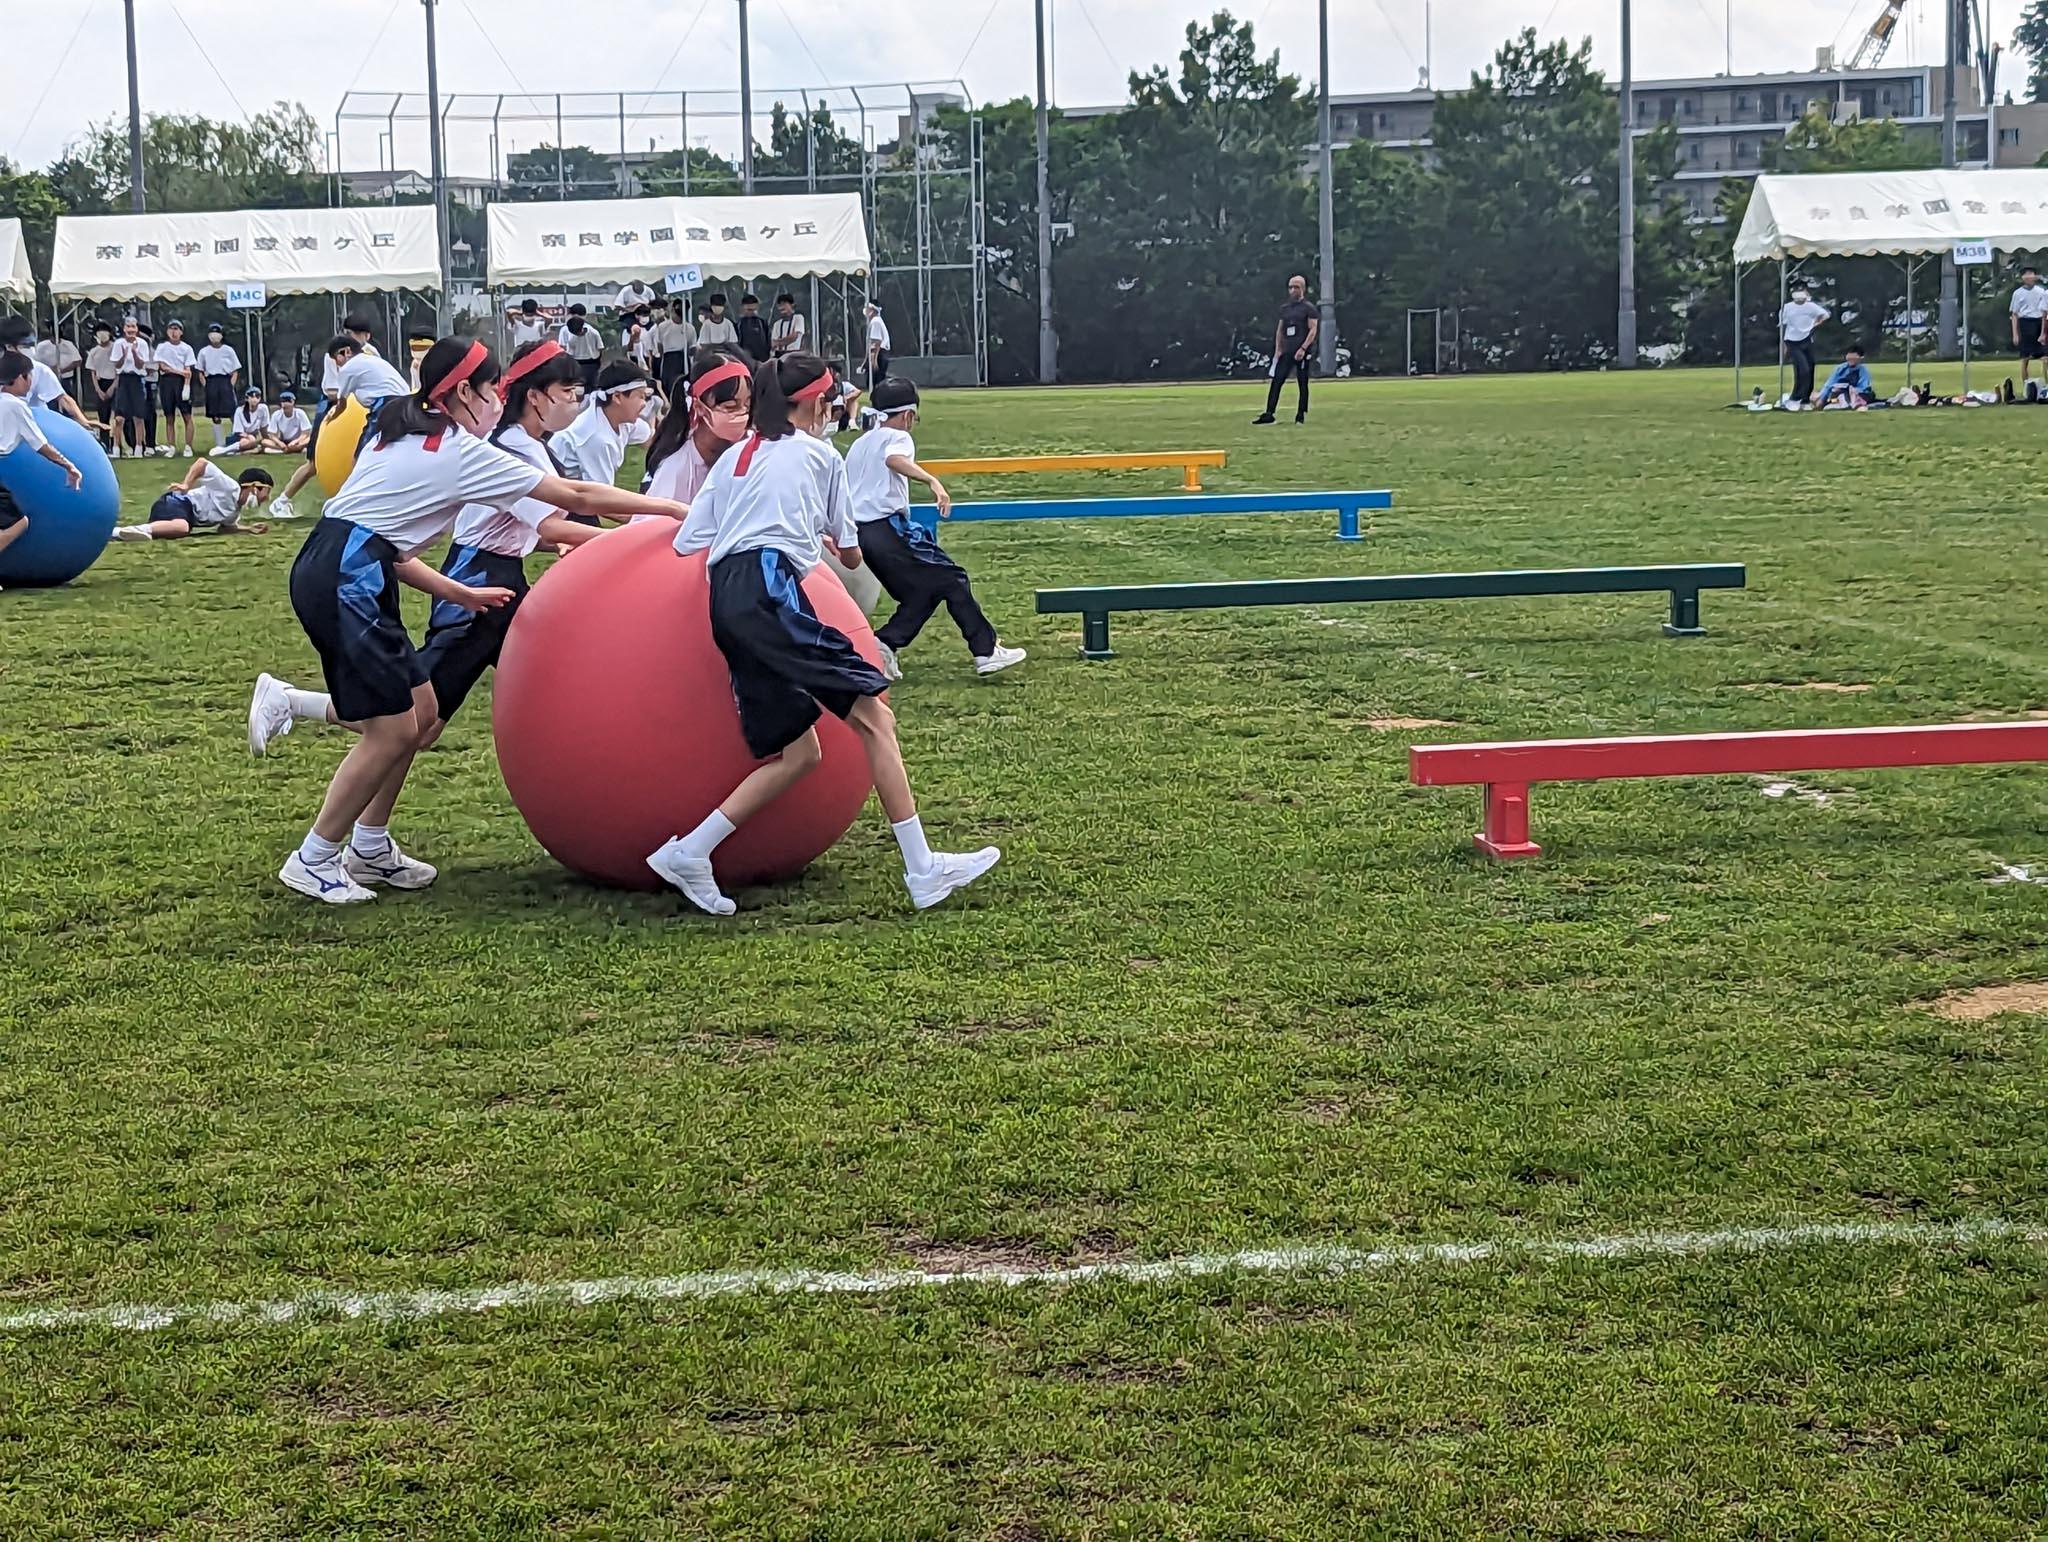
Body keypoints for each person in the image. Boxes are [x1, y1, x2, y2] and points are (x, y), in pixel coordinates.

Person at [257, 336, 686, 904]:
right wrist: (673, 510)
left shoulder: (399, 429)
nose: (498, 401)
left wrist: (455, 590)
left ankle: (370, 846)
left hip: (348, 568)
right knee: (394, 730)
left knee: (422, 712)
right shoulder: (461, 450)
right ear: (465, 391)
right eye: (492, 390)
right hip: (345, 577)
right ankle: (314, 857)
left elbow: (379, 541)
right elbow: (575, 495)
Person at [653, 351, 999, 916]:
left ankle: (690, 852)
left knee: (800, 753)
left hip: (729, 599)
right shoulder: (820, 456)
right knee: (876, 718)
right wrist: (819, 538)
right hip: (770, 590)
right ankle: (923, 870)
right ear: (816, 403)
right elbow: (851, 552)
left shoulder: (736, 456)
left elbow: (688, 540)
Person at [843, 377, 1023, 680]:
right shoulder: (898, 437)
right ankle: (986, 651)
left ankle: (885, 644)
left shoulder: (860, 444)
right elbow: (894, 459)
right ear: (908, 415)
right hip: (888, 529)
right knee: (952, 578)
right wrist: (932, 481)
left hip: (862, 534)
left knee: (923, 592)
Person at [0, 353, 84, 592]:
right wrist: (69, 466)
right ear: (20, 378)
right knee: (18, 523)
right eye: (29, 377)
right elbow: (41, 445)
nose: (30, 384)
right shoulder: (16, 406)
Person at [644, 345, 753, 505]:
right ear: (699, 407)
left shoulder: (754, 449)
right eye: (730, 406)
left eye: (747, 405)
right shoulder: (676, 471)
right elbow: (656, 518)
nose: (742, 414)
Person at [550, 359, 657, 509]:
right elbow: (601, 502)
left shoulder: (623, 420)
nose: (644, 403)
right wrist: (649, 514)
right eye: (640, 396)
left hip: (577, 497)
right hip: (558, 501)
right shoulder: (596, 438)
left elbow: (649, 437)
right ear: (617, 397)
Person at [110, 460, 274, 541]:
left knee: (181, 529)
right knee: (183, 528)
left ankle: (140, 532)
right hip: (176, 502)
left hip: (180, 516)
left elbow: (225, 528)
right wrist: (186, 484)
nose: (265, 499)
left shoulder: (235, 511)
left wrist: (249, 529)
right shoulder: (229, 487)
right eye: (266, 493)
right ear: (254, 487)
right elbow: (202, 463)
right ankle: (122, 531)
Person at [0, 316, 93, 439]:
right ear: (8, 347)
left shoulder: (39, 369)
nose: (30, 349)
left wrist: (83, 421)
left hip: (35, 427)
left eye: (31, 345)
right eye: (24, 345)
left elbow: (63, 398)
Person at [1254, 274, 1319, 425]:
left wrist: (1303, 348)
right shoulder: (1285, 309)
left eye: (1296, 287)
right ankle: (1269, 413)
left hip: (1301, 351)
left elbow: (1313, 329)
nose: (1292, 290)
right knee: (1277, 380)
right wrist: (1278, 349)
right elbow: (1280, 330)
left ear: (1302, 289)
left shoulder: (1309, 308)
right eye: (1290, 287)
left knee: (1302, 383)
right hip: (1287, 350)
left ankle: (1300, 414)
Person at [1778, 281, 1829, 409]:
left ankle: (1805, 400)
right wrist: (1784, 347)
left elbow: (1825, 315)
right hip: (1792, 342)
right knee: (1803, 369)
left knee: (1810, 369)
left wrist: (1815, 324)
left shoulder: (1811, 306)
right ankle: (1795, 398)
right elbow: (1783, 326)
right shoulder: (1787, 307)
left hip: (1806, 340)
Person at [109, 316, 153, 458]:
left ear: (137, 329)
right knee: (119, 417)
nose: (131, 329)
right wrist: (123, 355)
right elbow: (117, 365)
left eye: (133, 326)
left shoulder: (142, 344)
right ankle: (116, 447)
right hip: (123, 379)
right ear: (124, 329)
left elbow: (141, 365)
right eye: (128, 326)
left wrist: (134, 352)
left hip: (137, 379)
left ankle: (139, 447)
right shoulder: (119, 344)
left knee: (138, 416)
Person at [154, 319, 198, 456]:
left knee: (187, 415)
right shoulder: (162, 347)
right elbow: (162, 366)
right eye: (171, 329)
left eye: (176, 329)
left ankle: (188, 447)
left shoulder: (186, 348)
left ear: (181, 332)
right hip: (167, 381)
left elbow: (188, 370)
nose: (174, 332)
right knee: (169, 416)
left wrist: (186, 386)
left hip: (181, 382)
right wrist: (179, 371)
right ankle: (171, 446)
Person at [196, 322, 242, 447]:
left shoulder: (228, 350)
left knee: (232, 412)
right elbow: (200, 371)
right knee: (215, 414)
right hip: (211, 381)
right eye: (212, 333)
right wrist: (206, 385)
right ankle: (219, 444)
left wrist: (231, 385)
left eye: (217, 333)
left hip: (225, 380)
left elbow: (235, 370)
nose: (215, 335)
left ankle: (238, 441)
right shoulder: (204, 351)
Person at [2012, 267, 2048, 387]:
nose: (2029, 276)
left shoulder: (2041, 291)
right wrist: (2015, 334)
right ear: (2022, 277)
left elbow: (2045, 311)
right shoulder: (2017, 293)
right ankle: (2026, 387)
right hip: (2025, 323)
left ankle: (2046, 387)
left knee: (2045, 357)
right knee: (2025, 358)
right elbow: (2015, 314)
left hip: (2039, 322)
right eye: (2026, 274)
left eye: (2031, 274)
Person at [85, 321, 118, 450]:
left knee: (118, 417)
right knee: (103, 416)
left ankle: (117, 444)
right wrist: (98, 390)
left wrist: (113, 387)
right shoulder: (94, 352)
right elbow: (92, 372)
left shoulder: (116, 348)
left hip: (114, 382)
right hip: (101, 383)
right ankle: (105, 444)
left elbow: (119, 370)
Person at [656, 298, 697, 396]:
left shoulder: (689, 328)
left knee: (683, 385)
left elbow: (692, 347)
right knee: (669, 386)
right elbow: (660, 346)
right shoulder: (663, 327)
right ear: (673, 310)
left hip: (683, 358)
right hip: (668, 358)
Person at [559, 306, 604, 394]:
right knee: (576, 387)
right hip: (577, 362)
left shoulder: (593, 332)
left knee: (591, 387)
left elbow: (600, 348)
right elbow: (600, 348)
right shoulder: (568, 330)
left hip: (591, 363)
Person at [1816, 345, 1874, 409]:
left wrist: (1849, 389)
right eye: (1849, 357)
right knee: (1831, 396)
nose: (1851, 360)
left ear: (1860, 358)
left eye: (1854, 358)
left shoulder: (1863, 370)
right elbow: (1829, 384)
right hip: (1838, 393)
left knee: (1859, 396)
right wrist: (1822, 397)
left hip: (1856, 394)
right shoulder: (1840, 368)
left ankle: (1848, 403)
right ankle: (1837, 402)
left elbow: (1863, 387)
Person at [264, 390, 312, 455]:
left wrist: (296, 441)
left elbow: (305, 433)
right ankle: (292, 450)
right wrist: (279, 443)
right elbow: (272, 434)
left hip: (298, 441)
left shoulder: (300, 413)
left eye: (287, 401)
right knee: (264, 442)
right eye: (282, 401)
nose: (284, 404)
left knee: (309, 439)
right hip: (283, 442)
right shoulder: (276, 415)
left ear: (293, 402)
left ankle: (286, 450)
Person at [226, 387, 271, 453]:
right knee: (251, 441)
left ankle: (248, 451)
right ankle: (229, 449)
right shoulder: (239, 411)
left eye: (257, 396)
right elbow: (238, 432)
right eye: (252, 397)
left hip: (254, 437)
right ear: (247, 398)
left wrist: (267, 439)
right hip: (240, 438)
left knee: (266, 442)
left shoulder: (263, 408)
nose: (255, 399)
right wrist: (249, 436)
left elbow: (264, 428)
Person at [735, 294, 772, 365]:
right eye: (749, 310)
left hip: (762, 360)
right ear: (743, 308)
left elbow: (768, 341)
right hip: (745, 360)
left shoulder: (762, 322)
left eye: (754, 310)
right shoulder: (739, 324)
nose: (751, 312)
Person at [864, 302, 891, 384]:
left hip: (879, 354)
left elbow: (876, 342)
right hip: (880, 353)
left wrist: (874, 360)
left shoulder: (875, 321)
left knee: (876, 382)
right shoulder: (877, 321)